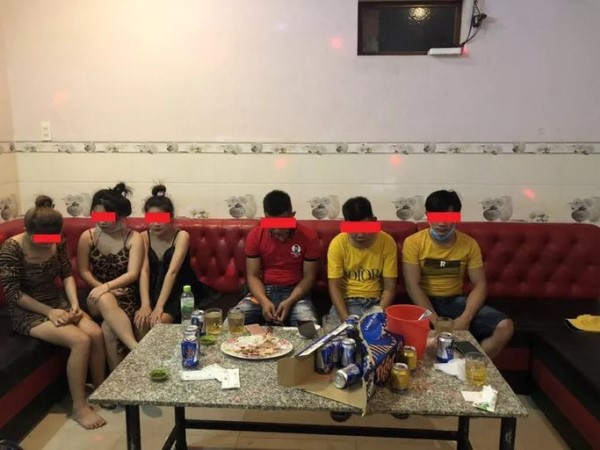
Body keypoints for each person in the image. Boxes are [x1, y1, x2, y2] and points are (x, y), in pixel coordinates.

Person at [0, 197, 106, 429]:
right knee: (80, 340)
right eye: (41, 240)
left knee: (95, 333)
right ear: (28, 231)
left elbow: (67, 274)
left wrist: (74, 304)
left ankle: (101, 389)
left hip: (57, 301)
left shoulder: (57, 241)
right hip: (27, 310)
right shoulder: (11, 248)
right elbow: (13, 293)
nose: (47, 244)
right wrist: (49, 312)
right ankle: (79, 406)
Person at [402, 189, 514, 359]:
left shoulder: (469, 244)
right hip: (423, 303)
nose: (441, 223)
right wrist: (435, 320)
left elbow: (480, 285)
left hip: (453, 301)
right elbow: (413, 286)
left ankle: (469, 366)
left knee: (505, 327)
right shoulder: (413, 243)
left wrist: (465, 318)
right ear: (427, 215)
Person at [77, 183, 143, 370]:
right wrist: (103, 288)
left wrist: (109, 287)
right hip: (95, 295)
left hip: (125, 294)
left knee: (108, 328)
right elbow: (84, 271)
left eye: (107, 216)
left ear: (120, 216)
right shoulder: (88, 237)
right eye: (97, 215)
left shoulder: (133, 237)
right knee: (105, 298)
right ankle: (137, 348)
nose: (102, 221)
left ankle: (116, 381)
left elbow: (133, 273)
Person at [136, 184, 218, 329]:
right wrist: (145, 304)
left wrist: (159, 307)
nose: (156, 224)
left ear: (171, 217)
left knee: (158, 322)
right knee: (140, 322)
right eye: (151, 218)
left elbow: (172, 272)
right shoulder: (143, 237)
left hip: (178, 288)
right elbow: (144, 271)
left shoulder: (181, 236)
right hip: (151, 288)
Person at [234, 190, 319, 326]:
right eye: (272, 227)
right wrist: (263, 301)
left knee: (309, 329)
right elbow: (253, 276)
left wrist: (290, 301)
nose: (278, 232)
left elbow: (309, 277)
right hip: (263, 291)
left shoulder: (309, 236)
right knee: (231, 323)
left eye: (283, 226)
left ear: (292, 216)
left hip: (296, 293)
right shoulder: (255, 235)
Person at [327, 196, 398, 322]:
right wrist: (345, 319)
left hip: (377, 303)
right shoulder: (338, 243)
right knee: (335, 334)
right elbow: (334, 287)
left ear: (374, 221)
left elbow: (389, 287)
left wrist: (377, 315)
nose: (360, 235)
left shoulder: (387, 242)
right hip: (346, 302)